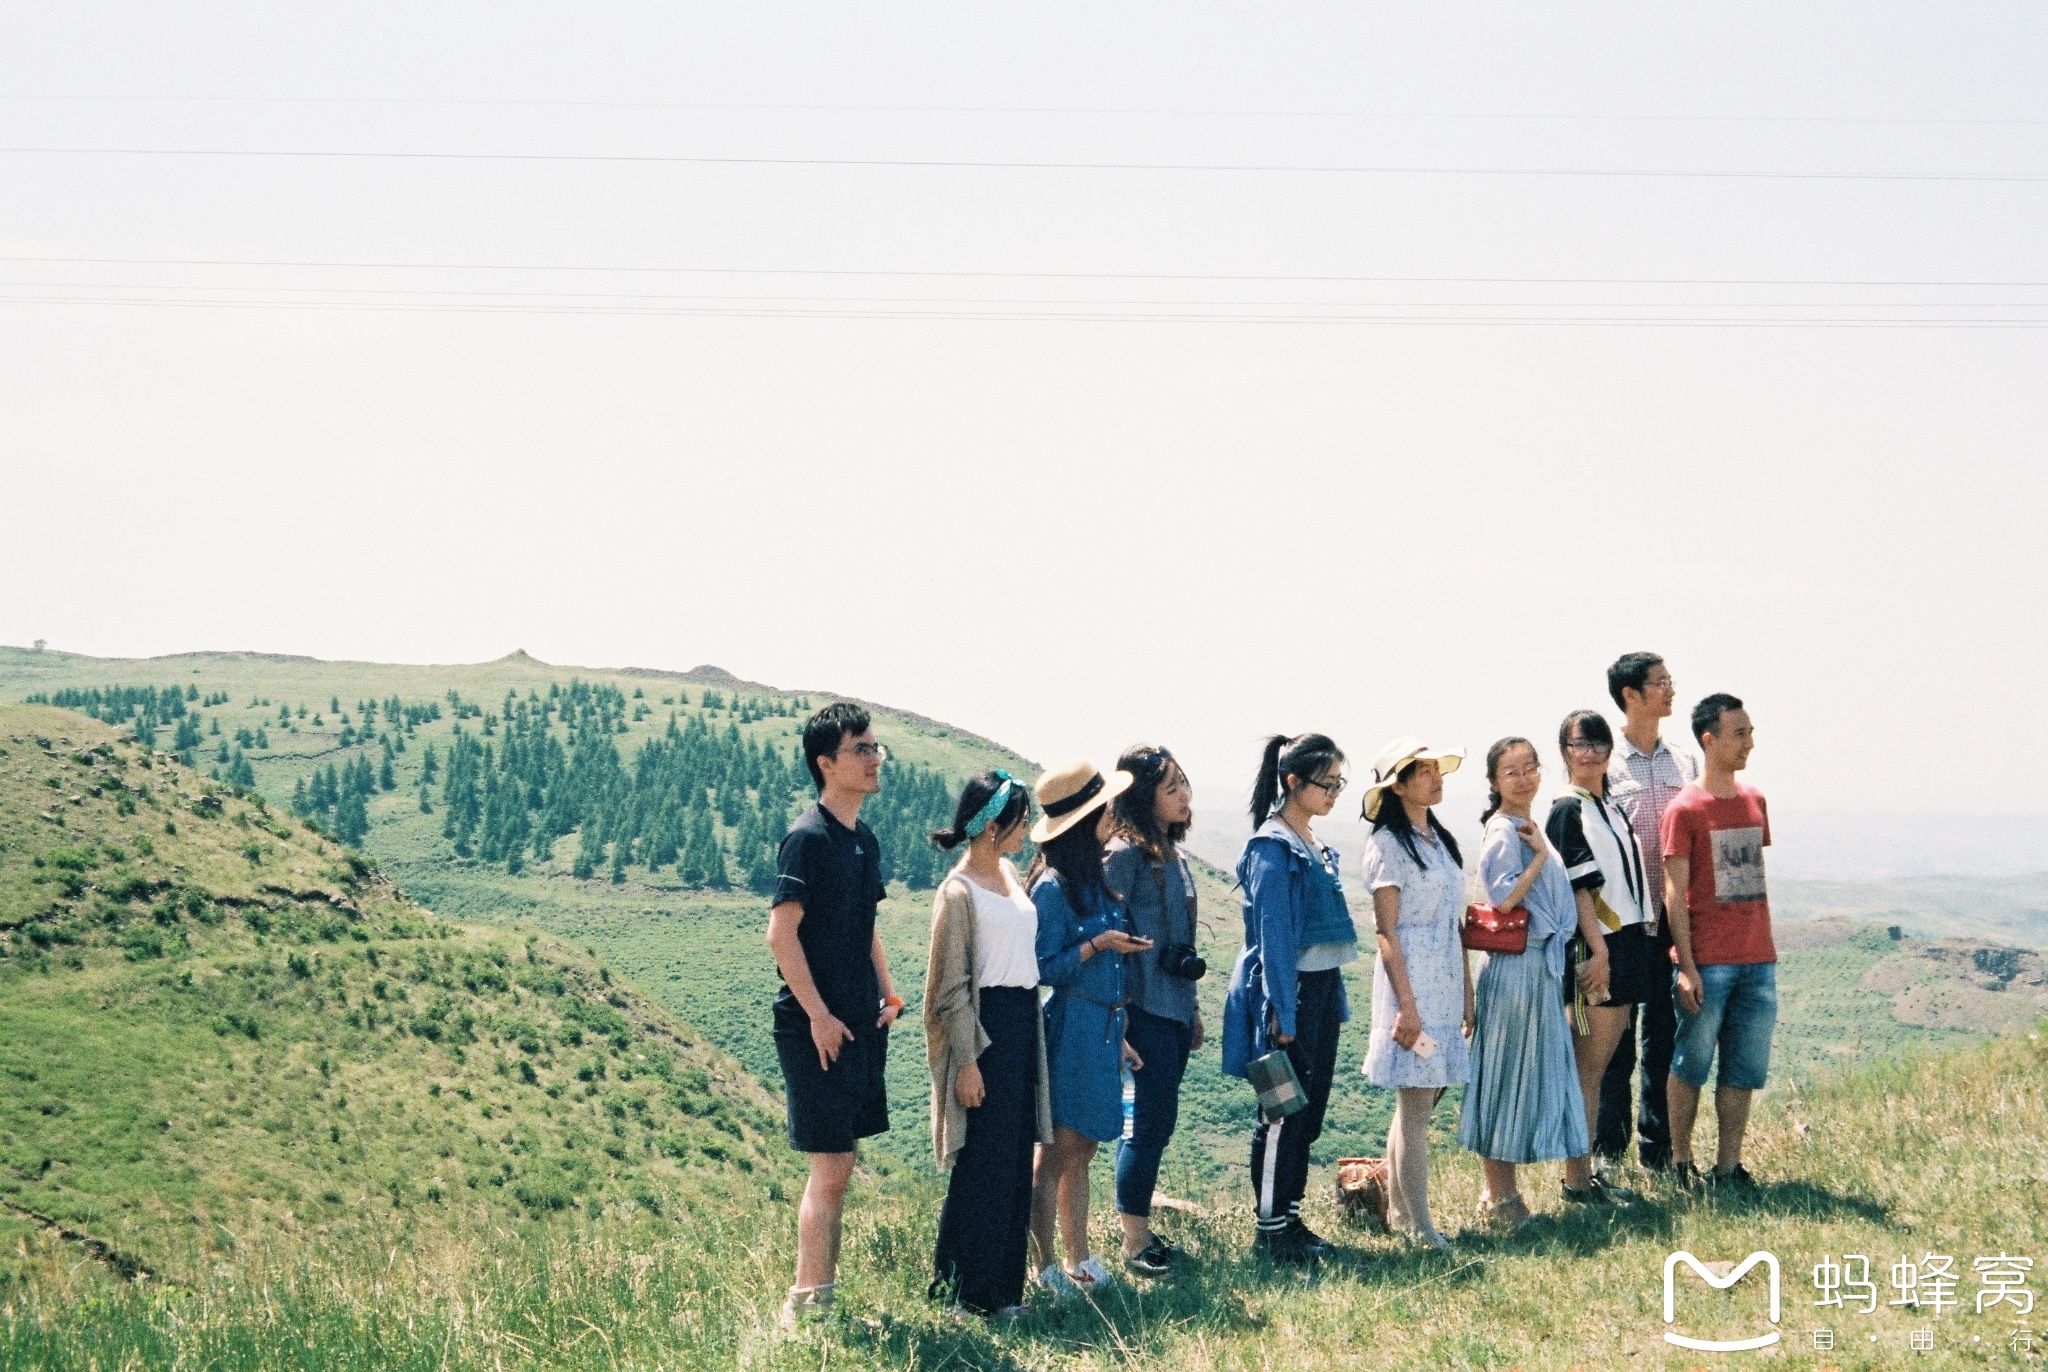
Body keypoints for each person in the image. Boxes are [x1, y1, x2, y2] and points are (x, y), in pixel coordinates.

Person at [765, 703, 903, 1329]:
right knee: (829, 1168)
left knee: (841, 1166)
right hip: (815, 1026)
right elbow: (780, 934)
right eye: (861, 749)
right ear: (827, 763)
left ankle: (821, 1303)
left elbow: (866, 926)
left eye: (876, 748)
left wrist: (888, 991)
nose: (875, 759)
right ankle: (808, 1310)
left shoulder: (861, 839)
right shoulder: (809, 837)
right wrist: (818, 1014)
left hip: (855, 1019)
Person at [924, 770, 1055, 1319]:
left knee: (1013, 1161)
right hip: (987, 1028)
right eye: (1021, 819)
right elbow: (950, 989)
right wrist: (968, 1060)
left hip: (1023, 1023)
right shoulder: (958, 893)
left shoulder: (1005, 873)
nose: (1028, 829)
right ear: (994, 825)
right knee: (981, 1163)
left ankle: (1002, 1291)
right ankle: (959, 1291)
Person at [1221, 733, 1356, 1263]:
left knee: (1311, 1108)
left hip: (1318, 990)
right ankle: (1271, 1229)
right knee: (1282, 1110)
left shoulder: (1311, 845)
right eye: (1326, 783)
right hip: (1288, 993)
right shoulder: (1271, 848)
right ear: (1292, 781)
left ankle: (1292, 1218)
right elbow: (1274, 935)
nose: (1333, 793)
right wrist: (1282, 1008)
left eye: (1339, 783)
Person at [1458, 738, 1592, 1228]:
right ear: (1493, 783)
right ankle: (1503, 1200)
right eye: (1510, 772)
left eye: (1529, 767)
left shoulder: (1525, 825)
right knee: (1506, 1077)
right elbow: (1504, 901)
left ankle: (1497, 1193)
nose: (1523, 778)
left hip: (1537, 969)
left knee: (1523, 1076)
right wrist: (1537, 857)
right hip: (1516, 970)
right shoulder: (1504, 832)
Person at [1027, 759, 1147, 1294]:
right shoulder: (1051, 889)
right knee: (1056, 1151)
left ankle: (1080, 1259)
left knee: (1085, 1149)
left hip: (1101, 1027)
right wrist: (1098, 945)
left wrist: (1120, 1035)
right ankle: (1043, 1265)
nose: (1113, 818)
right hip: (1073, 1026)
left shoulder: (1091, 881)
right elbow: (1042, 967)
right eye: (1105, 810)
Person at [1358, 738, 1471, 1250]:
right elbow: (1387, 933)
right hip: (1413, 985)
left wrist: (1467, 989)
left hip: (1444, 979)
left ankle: (1403, 1213)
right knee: (1417, 1109)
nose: (1435, 777)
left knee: (1418, 1105)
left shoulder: (1439, 841)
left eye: (1435, 769)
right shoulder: (1386, 844)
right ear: (1397, 786)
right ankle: (1423, 1225)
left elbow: (1455, 924)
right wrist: (1407, 1006)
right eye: (1422, 771)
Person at [1663, 693, 1776, 1190]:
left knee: (1743, 1068)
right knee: (1691, 1063)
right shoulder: (1685, 809)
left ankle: (1729, 1167)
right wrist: (1685, 965)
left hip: (1757, 956)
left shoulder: (1755, 801)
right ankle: (1681, 1160)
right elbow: (1674, 890)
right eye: (1739, 733)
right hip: (1708, 961)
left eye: (1749, 732)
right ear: (1709, 740)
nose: (1749, 742)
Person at [1596, 651, 1700, 1170]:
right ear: (1631, 694)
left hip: (1672, 920)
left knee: (1664, 1036)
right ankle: (1606, 1152)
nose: (1671, 690)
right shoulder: (1605, 764)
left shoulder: (1685, 762)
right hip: (1622, 924)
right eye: (1660, 682)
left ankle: (1657, 1151)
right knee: (1614, 1041)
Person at [1103, 744, 1203, 1277]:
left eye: (1184, 783)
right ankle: (1134, 1242)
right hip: (1140, 1011)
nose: (1184, 795)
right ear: (1143, 797)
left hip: (1172, 1008)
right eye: (1171, 788)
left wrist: (1193, 1009)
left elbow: (1178, 937)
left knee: (1158, 1122)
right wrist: (1117, 1018)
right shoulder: (1125, 853)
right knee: (1144, 1125)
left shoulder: (1169, 851)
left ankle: (1139, 1231)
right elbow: (1106, 932)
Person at [1544, 710, 1652, 1205]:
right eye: (1577, 743)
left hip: (1626, 945)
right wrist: (1600, 951)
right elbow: (1579, 888)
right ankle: (1576, 1180)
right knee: (1589, 1070)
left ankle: (1585, 1174)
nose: (1589, 752)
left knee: (1604, 1065)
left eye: (1598, 743)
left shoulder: (1606, 805)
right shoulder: (1567, 808)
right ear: (1564, 751)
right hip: (1597, 948)